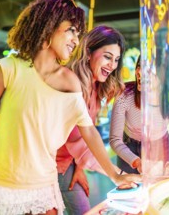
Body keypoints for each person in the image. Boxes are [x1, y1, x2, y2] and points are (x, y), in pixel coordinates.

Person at [0, 0, 140, 215]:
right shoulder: (7, 68)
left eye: (77, 33)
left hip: (43, 183)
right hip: (3, 183)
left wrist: (115, 175)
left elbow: (88, 130)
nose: (75, 39)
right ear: (49, 25)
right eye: (71, 30)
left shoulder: (69, 80)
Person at [56, 25, 126, 215]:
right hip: (47, 166)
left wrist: (79, 166)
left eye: (116, 60)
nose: (112, 66)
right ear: (88, 52)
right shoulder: (69, 83)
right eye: (107, 57)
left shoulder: (95, 87)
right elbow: (77, 137)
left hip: (67, 163)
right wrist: (117, 174)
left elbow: (85, 135)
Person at [109, 55, 169, 175]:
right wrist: (135, 161)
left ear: (164, 75)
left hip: (162, 147)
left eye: (148, 69)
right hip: (128, 150)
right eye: (139, 66)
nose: (140, 72)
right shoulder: (124, 94)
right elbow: (115, 140)